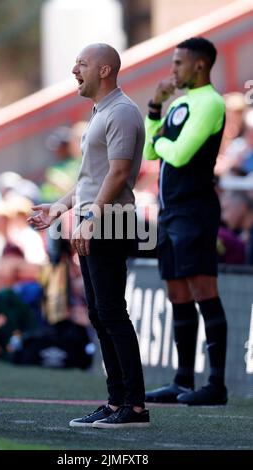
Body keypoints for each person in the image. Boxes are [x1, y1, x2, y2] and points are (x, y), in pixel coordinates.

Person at [28, 43, 149, 428]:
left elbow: (117, 174)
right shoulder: (101, 111)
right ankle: (117, 403)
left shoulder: (123, 111)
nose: (74, 69)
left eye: (82, 63)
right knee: (100, 314)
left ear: (105, 70)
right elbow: (89, 180)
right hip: (95, 219)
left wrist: (90, 218)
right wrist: (58, 208)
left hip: (109, 220)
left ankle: (135, 406)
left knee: (112, 313)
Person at [144, 37, 228, 405]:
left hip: (194, 211)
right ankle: (182, 380)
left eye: (178, 63)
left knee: (202, 290)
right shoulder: (178, 103)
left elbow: (177, 154)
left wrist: (161, 139)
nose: (172, 70)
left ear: (198, 65)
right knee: (176, 292)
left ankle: (217, 384)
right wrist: (155, 109)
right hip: (170, 211)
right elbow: (149, 150)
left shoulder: (210, 102)